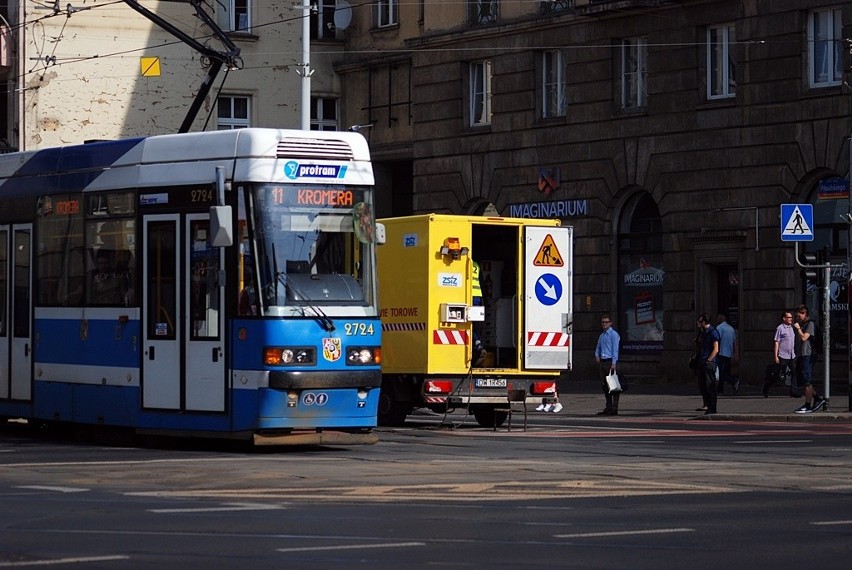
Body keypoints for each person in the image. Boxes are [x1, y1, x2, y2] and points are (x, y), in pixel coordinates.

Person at [792, 305, 826, 413]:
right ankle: (817, 399)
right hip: (803, 355)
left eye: (799, 315)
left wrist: (798, 329)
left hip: (809, 355)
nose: (798, 318)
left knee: (807, 380)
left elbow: (804, 337)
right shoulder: (804, 324)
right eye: (796, 316)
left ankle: (807, 405)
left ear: (805, 314)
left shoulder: (810, 324)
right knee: (803, 380)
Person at [594, 313, 621, 416]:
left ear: (610, 323)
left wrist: (614, 363)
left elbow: (615, 350)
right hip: (603, 362)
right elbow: (598, 348)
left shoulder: (614, 335)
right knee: (605, 386)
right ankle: (608, 406)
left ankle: (615, 408)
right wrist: (597, 355)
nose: (604, 324)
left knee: (614, 386)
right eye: (603, 322)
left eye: (606, 322)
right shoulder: (602, 335)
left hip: (610, 362)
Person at [694, 314, 720, 414]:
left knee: (710, 386)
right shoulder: (703, 333)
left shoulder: (713, 332)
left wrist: (709, 360)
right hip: (702, 362)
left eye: (699, 321)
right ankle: (708, 406)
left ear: (704, 322)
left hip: (708, 363)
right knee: (703, 386)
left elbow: (716, 349)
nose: (698, 323)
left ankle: (712, 408)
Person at [772, 309, 797, 397]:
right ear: (784, 318)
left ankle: (794, 391)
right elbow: (776, 342)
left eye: (791, 317)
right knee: (779, 373)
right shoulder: (780, 328)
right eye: (788, 317)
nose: (790, 319)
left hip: (791, 355)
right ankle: (769, 385)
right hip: (783, 354)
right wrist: (776, 356)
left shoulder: (792, 327)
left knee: (794, 372)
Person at [715, 313, 739, 396]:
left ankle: (733, 381)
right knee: (723, 372)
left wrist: (715, 351)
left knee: (721, 373)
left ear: (721, 318)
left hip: (721, 352)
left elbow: (718, 340)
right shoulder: (731, 328)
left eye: (718, 318)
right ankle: (720, 390)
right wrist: (736, 353)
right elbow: (735, 342)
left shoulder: (719, 327)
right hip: (729, 353)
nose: (716, 319)